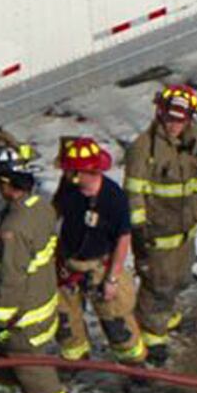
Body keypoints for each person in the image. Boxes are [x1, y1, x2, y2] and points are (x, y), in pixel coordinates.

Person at [0, 142, 81, 393]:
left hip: (22, 314)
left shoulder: (14, 225)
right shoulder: (41, 207)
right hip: (42, 298)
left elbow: (11, 277)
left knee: (29, 365)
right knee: (3, 347)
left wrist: (3, 316)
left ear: (6, 183)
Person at [126, 84, 197, 361]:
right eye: (169, 118)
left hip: (184, 233)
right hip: (157, 235)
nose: (174, 125)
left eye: (180, 119)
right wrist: (139, 228)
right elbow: (134, 190)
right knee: (158, 285)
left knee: (181, 279)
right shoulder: (144, 148)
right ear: (159, 113)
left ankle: (167, 316)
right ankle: (153, 336)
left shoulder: (193, 141)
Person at [54, 137, 139, 358]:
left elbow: (123, 239)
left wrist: (112, 279)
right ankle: (77, 359)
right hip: (68, 264)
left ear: (88, 172)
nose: (68, 175)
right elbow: (57, 215)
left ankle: (135, 366)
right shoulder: (68, 189)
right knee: (64, 321)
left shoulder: (114, 198)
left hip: (100, 266)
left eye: (73, 171)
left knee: (116, 324)